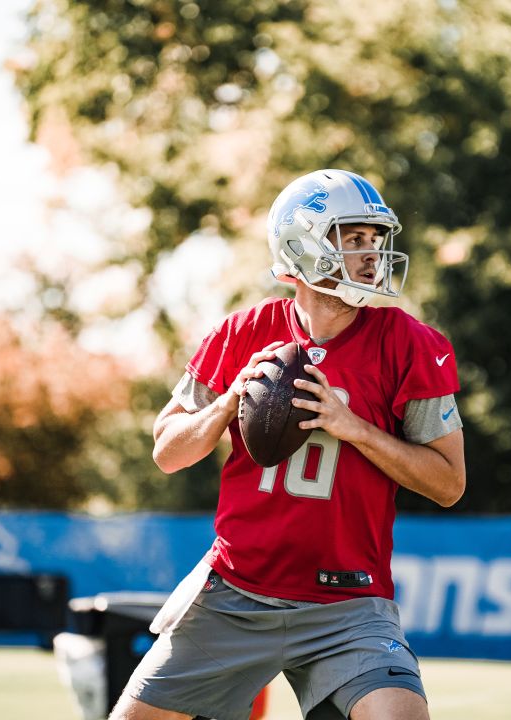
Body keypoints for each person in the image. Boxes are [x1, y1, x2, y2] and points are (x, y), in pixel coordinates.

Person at [116, 169, 467, 720]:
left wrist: (357, 429)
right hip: (236, 591)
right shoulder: (242, 333)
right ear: (304, 245)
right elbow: (167, 451)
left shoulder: (411, 344)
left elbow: (449, 483)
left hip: (349, 603)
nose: (371, 255)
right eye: (352, 239)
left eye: (374, 240)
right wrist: (229, 402)